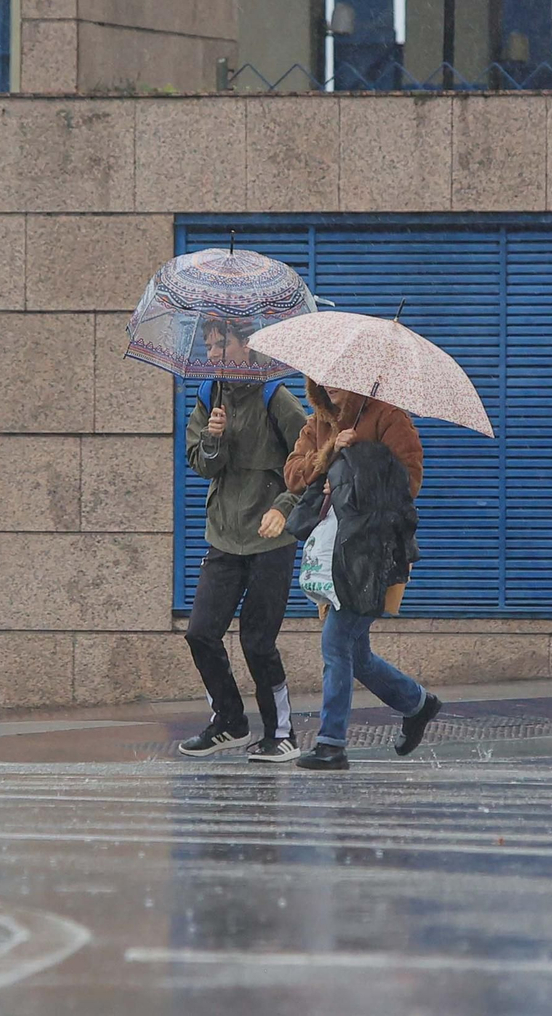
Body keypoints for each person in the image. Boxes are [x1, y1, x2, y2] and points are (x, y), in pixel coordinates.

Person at [282, 378, 442, 771]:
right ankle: (418, 704)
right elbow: (292, 473)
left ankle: (331, 742)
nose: (330, 387)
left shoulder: (388, 417)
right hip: (333, 552)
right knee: (357, 654)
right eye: (323, 380)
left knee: (336, 643)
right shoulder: (317, 422)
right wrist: (328, 455)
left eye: (339, 380)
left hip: (374, 551)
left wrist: (361, 458)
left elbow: (409, 481)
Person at [178, 318, 309, 763]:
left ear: (247, 344)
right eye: (209, 346)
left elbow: (311, 464)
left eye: (222, 344)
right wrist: (213, 439)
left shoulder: (277, 397)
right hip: (224, 534)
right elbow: (200, 463)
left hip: (270, 537)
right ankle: (230, 722)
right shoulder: (207, 397)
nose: (214, 353)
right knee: (200, 633)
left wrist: (285, 507)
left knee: (257, 640)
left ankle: (281, 732)